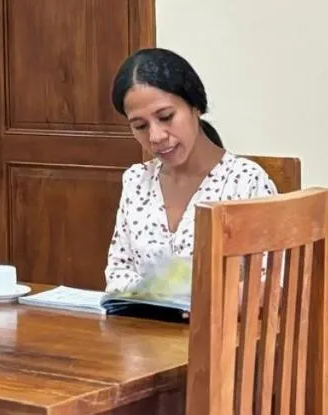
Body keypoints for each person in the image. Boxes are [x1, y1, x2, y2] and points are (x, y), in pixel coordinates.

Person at [104, 48, 276, 293]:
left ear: (196, 106)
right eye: (140, 126)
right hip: (142, 327)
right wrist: (157, 302)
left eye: (166, 117)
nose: (155, 136)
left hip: (222, 329)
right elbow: (118, 272)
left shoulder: (246, 182)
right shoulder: (136, 180)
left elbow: (269, 283)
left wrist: (199, 304)